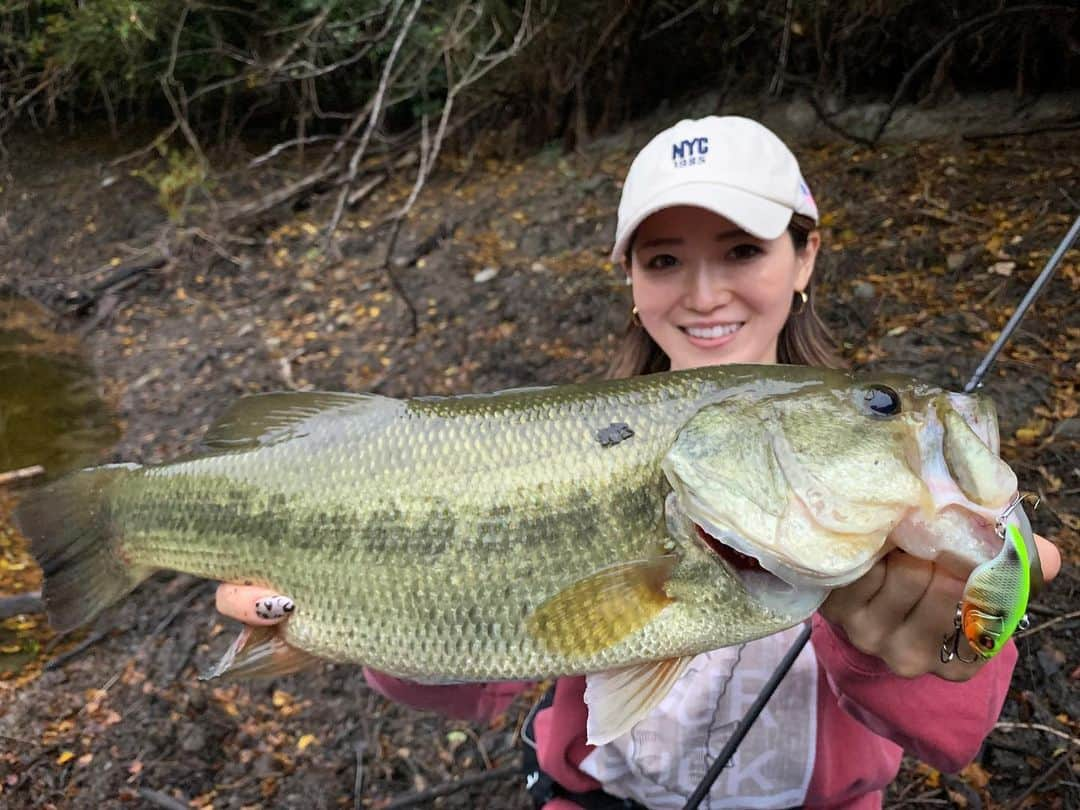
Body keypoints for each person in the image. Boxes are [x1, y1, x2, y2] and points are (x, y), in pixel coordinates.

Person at [215, 116, 1061, 809]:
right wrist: (368, 615)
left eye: (741, 250)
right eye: (663, 261)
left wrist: (911, 652)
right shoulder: (559, 446)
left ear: (804, 256)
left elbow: (957, 736)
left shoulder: (889, 484)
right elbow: (479, 684)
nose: (702, 294)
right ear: (629, 279)